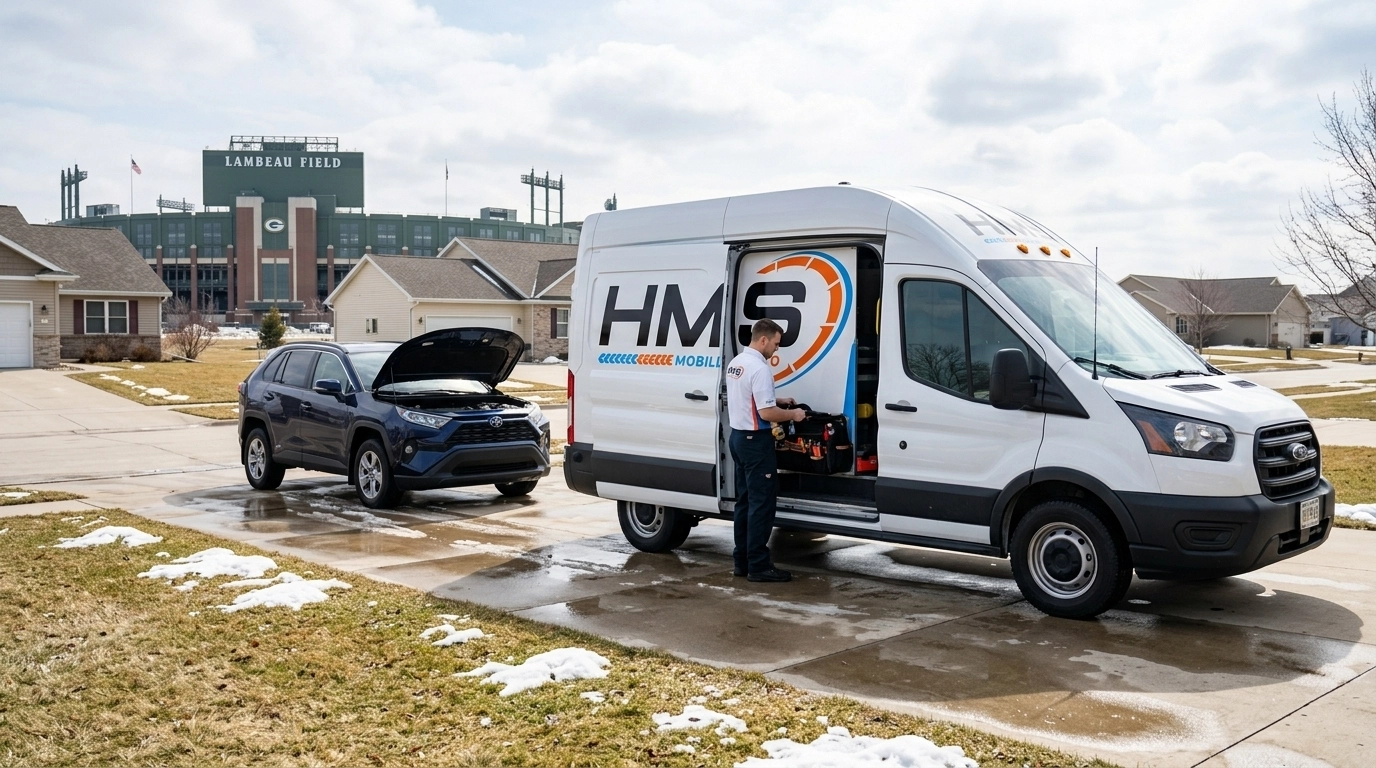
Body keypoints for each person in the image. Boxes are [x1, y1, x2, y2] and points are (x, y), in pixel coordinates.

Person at [726, 318, 806, 582]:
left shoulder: (737, 363)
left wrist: (778, 399)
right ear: (763, 339)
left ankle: (742, 561)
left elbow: (749, 397)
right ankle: (759, 566)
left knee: (745, 503)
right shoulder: (759, 369)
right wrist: (793, 413)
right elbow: (766, 412)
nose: (776, 349)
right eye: (775, 343)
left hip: (738, 438)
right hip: (756, 443)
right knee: (761, 506)